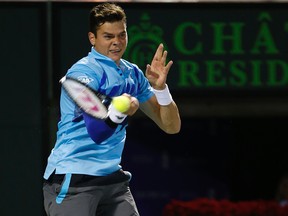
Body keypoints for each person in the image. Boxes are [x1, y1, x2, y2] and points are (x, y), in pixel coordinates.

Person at [43, 2, 181, 216]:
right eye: (108, 36)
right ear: (93, 38)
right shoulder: (82, 74)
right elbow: (98, 132)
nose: (117, 43)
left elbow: (171, 126)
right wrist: (120, 108)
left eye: (122, 35)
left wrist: (161, 90)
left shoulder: (133, 74)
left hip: (113, 182)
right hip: (74, 180)